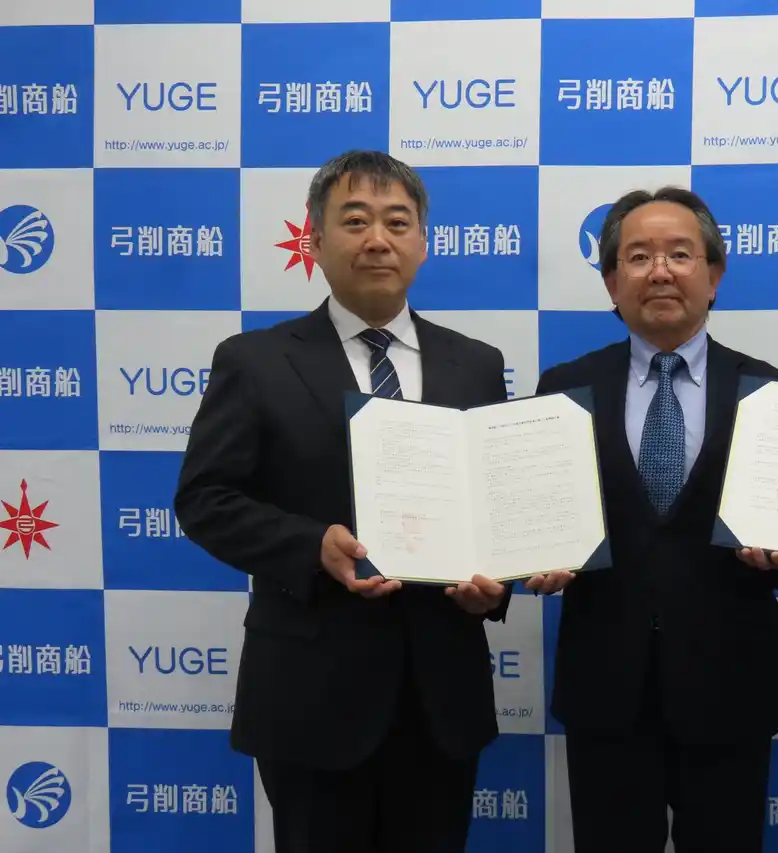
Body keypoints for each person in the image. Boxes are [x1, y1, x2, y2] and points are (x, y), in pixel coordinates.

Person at [174, 150, 511, 853]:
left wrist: (496, 585)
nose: (377, 239)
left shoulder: (477, 364)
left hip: (440, 695)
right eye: (355, 221)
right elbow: (205, 499)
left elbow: (493, 507)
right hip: (309, 695)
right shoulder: (255, 360)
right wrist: (311, 545)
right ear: (316, 239)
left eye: (397, 222)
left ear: (423, 241)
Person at [526, 187, 778, 852]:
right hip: (605, 682)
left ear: (714, 276)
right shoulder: (562, 388)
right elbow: (539, 517)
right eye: (638, 257)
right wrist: (535, 556)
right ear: (611, 282)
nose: (660, 271)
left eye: (680, 255)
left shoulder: (774, 393)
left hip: (730, 681)